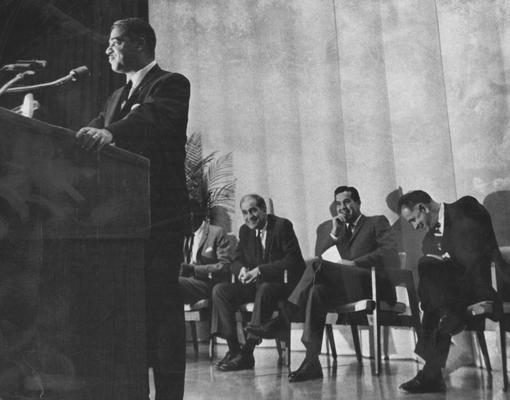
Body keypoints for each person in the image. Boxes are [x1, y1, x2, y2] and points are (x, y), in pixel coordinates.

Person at [76, 18, 190, 400]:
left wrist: (112, 133)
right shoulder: (113, 99)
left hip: (160, 216)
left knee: (161, 309)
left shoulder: (170, 84)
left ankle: (170, 394)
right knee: (129, 311)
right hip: (120, 222)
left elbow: (153, 117)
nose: (108, 50)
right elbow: (87, 134)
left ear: (140, 43)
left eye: (115, 42)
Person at [397, 190, 508, 393]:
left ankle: (431, 375)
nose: (415, 226)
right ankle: (433, 371)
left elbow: (477, 255)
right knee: (427, 266)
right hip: (451, 298)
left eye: (414, 219)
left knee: (432, 281)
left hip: (478, 285)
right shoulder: (428, 240)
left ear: (423, 207)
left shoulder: (465, 207)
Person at [287, 186, 399, 382]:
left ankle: (289, 309)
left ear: (358, 202)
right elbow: (321, 257)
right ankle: (311, 360)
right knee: (316, 292)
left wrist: (355, 263)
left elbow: (389, 253)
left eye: (347, 202)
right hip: (341, 288)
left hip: (367, 283)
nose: (342, 207)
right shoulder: (327, 228)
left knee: (314, 266)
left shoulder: (376, 222)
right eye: (338, 203)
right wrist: (334, 234)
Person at [210, 194, 305, 371]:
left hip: (278, 287)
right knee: (219, 290)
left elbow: (294, 260)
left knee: (265, 288)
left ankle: (247, 353)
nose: (249, 216)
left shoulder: (282, 226)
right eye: (245, 212)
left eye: (253, 210)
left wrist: (260, 270)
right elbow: (236, 260)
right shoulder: (245, 231)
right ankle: (234, 349)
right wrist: (242, 271)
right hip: (255, 286)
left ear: (263, 210)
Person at [179, 200, 232, 305]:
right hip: (189, 284)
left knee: (174, 282)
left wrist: (194, 269)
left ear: (192, 215)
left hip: (210, 284)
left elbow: (224, 266)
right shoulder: (186, 237)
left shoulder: (216, 232)